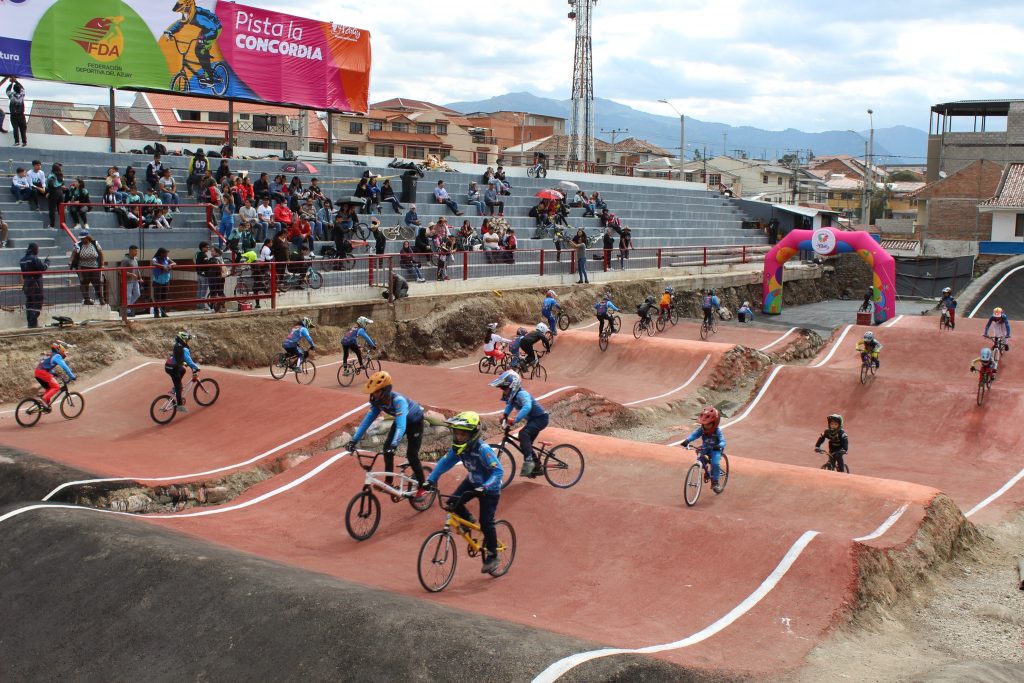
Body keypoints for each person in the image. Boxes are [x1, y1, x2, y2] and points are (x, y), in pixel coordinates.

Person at [424, 411, 504, 574]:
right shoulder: (459, 449)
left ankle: (493, 555)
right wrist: (431, 480)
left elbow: (498, 471)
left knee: (486, 522)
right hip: (472, 481)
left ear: (473, 434)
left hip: (490, 489)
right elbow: (444, 463)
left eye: (463, 434)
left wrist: (487, 486)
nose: (459, 437)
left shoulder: (483, 449)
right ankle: (467, 518)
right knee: (452, 502)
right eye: (457, 433)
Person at [347, 371, 430, 497]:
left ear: (385, 390)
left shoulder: (398, 401)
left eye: (376, 391)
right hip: (400, 421)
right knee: (386, 449)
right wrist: (354, 440)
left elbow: (402, 426)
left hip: (415, 422)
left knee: (411, 455)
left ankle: (423, 485)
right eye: (372, 392)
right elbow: (367, 420)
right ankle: (389, 483)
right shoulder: (378, 402)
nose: (373, 394)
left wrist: (394, 444)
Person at [490, 370, 550, 478]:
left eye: (505, 388)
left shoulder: (522, 394)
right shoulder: (513, 398)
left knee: (523, 434)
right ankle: (537, 467)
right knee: (525, 445)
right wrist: (505, 415)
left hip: (541, 418)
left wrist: (515, 420)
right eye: (502, 389)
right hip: (533, 420)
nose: (503, 391)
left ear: (514, 386)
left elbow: (527, 406)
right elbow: (509, 405)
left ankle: (529, 463)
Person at [164, 0, 223, 90]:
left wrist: (204, 38)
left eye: (185, 11)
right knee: (198, 49)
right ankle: (206, 63)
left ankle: (210, 78)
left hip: (214, 29)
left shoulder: (199, 18)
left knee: (201, 51)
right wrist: (170, 31)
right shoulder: (189, 15)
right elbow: (180, 23)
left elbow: (213, 29)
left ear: (189, 8)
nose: (184, 14)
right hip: (207, 28)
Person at [680, 405, 726, 493]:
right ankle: (706, 466)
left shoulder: (717, 431)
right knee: (698, 451)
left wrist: (719, 445)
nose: (705, 427)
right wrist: (687, 441)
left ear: (714, 423)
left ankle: (715, 482)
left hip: (715, 449)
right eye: (703, 424)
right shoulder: (701, 429)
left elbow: (723, 441)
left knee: (715, 463)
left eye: (708, 425)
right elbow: (694, 435)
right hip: (705, 447)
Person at [34, 340, 77, 411]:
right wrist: (72, 376)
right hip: (43, 372)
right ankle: (43, 400)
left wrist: (54, 373)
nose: (64, 351)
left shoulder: (50, 354)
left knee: (49, 388)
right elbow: (64, 366)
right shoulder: (57, 356)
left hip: (37, 372)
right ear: (59, 349)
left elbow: (45, 364)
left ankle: (44, 406)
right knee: (56, 387)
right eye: (63, 349)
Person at [165, 331, 200, 412]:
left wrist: (184, 363)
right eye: (187, 340)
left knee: (183, 370)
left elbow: (178, 357)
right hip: (173, 368)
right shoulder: (184, 348)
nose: (188, 342)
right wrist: (196, 367)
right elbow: (189, 360)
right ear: (183, 339)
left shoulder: (177, 345)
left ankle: (175, 388)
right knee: (178, 387)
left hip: (168, 366)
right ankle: (179, 406)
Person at [19, 243, 48, 328]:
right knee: (37, 302)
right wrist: (47, 262)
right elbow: (42, 268)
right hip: (35, 284)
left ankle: (31, 324)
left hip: (27, 284)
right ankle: (33, 324)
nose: (38, 250)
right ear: (34, 249)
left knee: (30, 303)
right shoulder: (34, 259)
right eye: (37, 249)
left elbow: (24, 274)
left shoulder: (22, 260)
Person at [72, 231, 104, 305]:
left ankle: (101, 299)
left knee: (98, 283)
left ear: (87, 237)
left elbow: (101, 253)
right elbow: (73, 254)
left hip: (95, 267)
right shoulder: (78, 245)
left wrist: (102, 264)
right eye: (81, 238)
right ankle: (87, 299)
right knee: (84, 283)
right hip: (83, 267)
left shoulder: (95, 243)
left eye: (84, 238)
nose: (82, 240)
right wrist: (71, 262)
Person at [3, 78, 28, 146]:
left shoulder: (11, 95)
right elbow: (22, 87)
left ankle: (17, 142)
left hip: (13, 114)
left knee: (15, 128)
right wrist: (16, 81)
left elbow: (7, 90)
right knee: (23, 128)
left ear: (14, 89)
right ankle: (24, 142)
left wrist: (11, 83)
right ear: (19, 89)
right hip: (21, 114)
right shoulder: (22, 94)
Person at [151, 247, 175, 318]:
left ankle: (163, 313)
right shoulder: (155, 258)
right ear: (161, 253)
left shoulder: (167, 258)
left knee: (164, 297)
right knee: (157, 298)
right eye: (165, 253)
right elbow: (154, 263)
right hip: (157, 281)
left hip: (166, 280)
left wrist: (170, 265)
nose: (166, 254)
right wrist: (163, 266)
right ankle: (156, 313)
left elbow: (174, 263)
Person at [120, 245, 142, 317]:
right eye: (135, 251)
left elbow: (137, 269)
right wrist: (131, 274)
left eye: (136, 251)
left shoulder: (135, 259)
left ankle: (127, 307)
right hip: (128, 280)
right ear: (130, 251)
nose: (136, 252)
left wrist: (140, 277)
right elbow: (121, 271)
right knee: (128, 296)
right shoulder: (125, 260)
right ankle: (127, 310)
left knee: (137, 294)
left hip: (135, 280)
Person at [45, 163, 65, 229]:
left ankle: (52, 225)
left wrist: (49, 193)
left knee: (52, 210)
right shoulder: (60, 176)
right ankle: (63, 224)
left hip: (54, 193)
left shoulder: (52, 176)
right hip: (60, 193)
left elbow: (51, 185)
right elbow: (62, 184)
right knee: (61, 210)